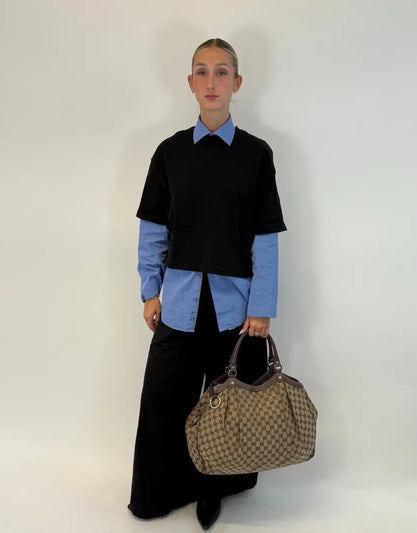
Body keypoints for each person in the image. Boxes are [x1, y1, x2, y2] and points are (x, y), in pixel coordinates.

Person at [127, 37, 287, 530]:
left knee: (228, 408)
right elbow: (153, 227)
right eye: (202, 71)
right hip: (177, 300)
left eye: (221, 72)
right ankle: (160, 491)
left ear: (237, 83)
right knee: (163, 400)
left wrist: (261, 306)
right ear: (190, 82)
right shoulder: (169, 152)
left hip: (236, 308)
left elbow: (265, 237)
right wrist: (149, 291)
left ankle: (213, 491)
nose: (211, 81)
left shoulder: (256, 154)